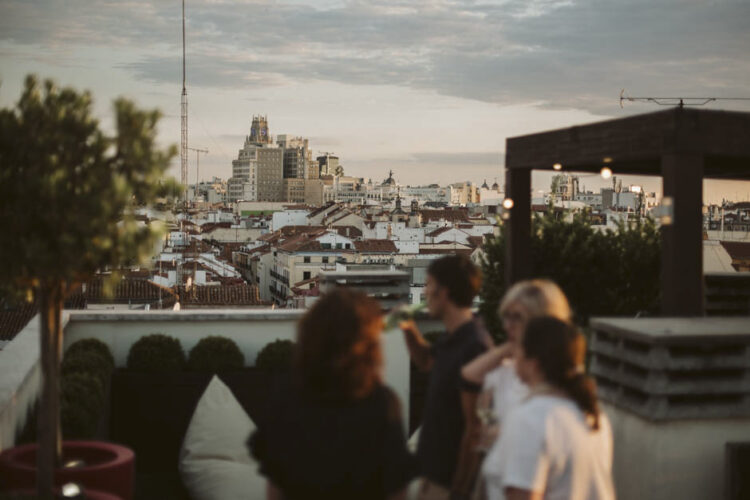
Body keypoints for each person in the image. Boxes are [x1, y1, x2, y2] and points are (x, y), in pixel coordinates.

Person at [248, 288, 415, 500]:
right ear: (367, 343)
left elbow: (275, 490)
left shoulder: (287, 397)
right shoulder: (382, 404)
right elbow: (397, 492)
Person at [462, 280, 572, 500]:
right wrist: (510, 347)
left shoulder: (561, 378)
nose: (507, 326)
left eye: (517, 318)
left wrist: (505, 433)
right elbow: (468, 375)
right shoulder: (507, 369)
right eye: (506, 316)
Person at [483, 317, 615, 500]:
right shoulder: (594, 415)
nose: (512, 354)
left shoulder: (530, 418)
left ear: (533, 362)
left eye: (517, 348)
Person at [400, 254, 489, 500]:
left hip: (449, 485)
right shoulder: (454, 337)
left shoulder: (474, 346)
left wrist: (458, 491)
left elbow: (473, 427)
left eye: (428, 285)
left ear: (444, 292)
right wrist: (408, 330)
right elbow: (427, 362)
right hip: (433, 476)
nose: (425, 292)